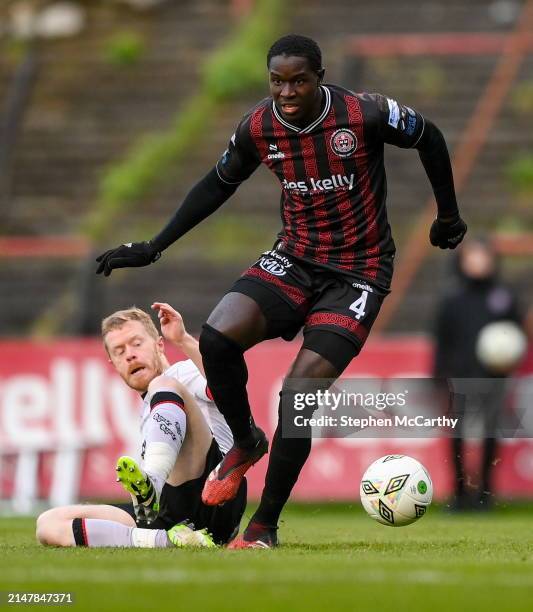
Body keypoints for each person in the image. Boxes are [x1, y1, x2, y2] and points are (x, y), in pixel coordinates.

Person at [95, 34, 467, 548]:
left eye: (298, 80)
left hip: (358, 271)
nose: (287, 92)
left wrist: (448, 214)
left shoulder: (365, 114)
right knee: (220, 334)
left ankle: (264, 526)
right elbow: (216, 184)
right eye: (277, 81)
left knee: (298, 395)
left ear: (320, 76)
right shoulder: (258, 126)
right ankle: (245, 439)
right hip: (293, 258)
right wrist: (154, 245)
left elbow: (431, 137)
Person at [36, 303, 246, 548]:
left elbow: (226, 388)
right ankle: (166, 540)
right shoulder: (151, 407)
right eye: (119, 351)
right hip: (172, 514)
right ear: (113, 364)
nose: (130, 354)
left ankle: (152, 484)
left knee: (164, 384)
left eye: (136, 343)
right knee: (49, 524)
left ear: (158, 345)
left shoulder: (182, 374)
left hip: (216, 498)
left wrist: (183, 340)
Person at [433, 238, 522, 510]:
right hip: (458, 377)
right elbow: (442, 342)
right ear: (462, 261)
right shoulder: (451, 299)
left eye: (483, 256)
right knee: (456, 434)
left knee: (490, 433)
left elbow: (516, 336)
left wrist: (509, 362)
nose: (478, 262)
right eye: (473, 256)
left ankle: (485, 494)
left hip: (492, 378)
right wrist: (439, 378)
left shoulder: (504, 297)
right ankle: (459, 494)